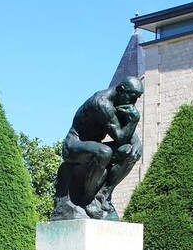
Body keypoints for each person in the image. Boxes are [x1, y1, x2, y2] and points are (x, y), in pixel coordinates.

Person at [50, 75, 144, 221]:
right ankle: (88, 199)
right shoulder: (102, 103)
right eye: (133, 96)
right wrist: (134, 120)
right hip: (74, 146)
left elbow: (127, 136)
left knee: (130, 151)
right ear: (122, 90)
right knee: (104, 152)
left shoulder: (122, 102)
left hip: (95, 147)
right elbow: (120, 136)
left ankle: (104, 195)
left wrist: (137, 144)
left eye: (138, 97)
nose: (134, 102)